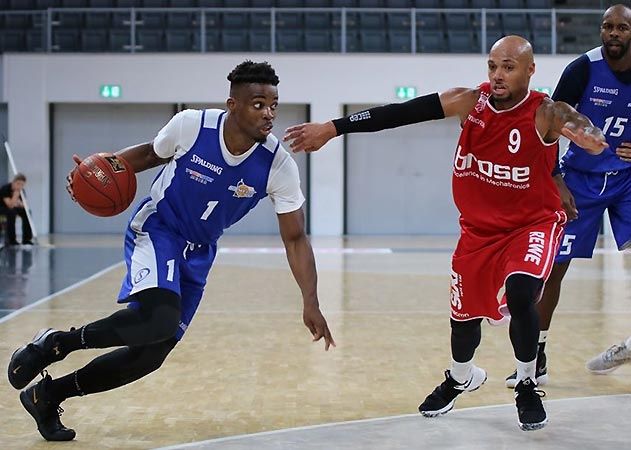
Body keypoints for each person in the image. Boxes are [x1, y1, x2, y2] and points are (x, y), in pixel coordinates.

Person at [284, 36, 607, 431]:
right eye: (492, 66)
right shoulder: (468, 101)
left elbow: (575, 121)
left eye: (508, 66)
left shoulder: (544, 112)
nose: (498, 74)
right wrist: (333, 127)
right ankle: (461, 376)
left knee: (522, 291)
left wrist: (587, 135)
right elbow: (400, 113)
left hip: (531, 225)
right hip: (477, 232)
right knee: (463, 321)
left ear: (530, 70)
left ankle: (526, 383)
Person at [7, 61, 335, 442]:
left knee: (151, 354)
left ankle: (47, 395)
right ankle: (56, 343)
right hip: (159, 227)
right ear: (233, 104)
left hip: (199, 251)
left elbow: (295, 238)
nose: (269, 114)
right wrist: (95, 173)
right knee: (158, 318)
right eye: (258, 104)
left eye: (274, 105)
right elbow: (148, 154)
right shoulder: (193, 125)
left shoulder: (277, 164)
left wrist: (310, 300)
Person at [504, 4, 631, 387]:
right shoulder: (583, 69)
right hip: (580, 179)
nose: (612, 33)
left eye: (622, 28)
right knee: (553, 269)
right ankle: (536, 355)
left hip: (627, 180)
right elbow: (549, 123)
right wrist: (556, 179)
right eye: (607, 26)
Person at [0, 173, 34, 246]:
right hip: (3, 208)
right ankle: (12, 240)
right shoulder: (5, 188)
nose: (20, 186)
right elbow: (10, 205)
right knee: (11, 212)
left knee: (27, 212)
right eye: (18, 184)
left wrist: (19, 203)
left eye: (22, 185)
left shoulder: (22, 191)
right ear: (13, 182)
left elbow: (24, 205)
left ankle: (27, 239)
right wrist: (16, 195)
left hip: (14, 208)